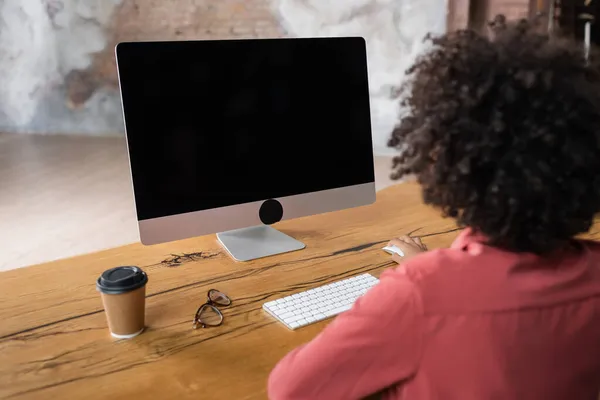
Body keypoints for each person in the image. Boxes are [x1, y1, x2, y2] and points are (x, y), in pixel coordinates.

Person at [267, 15, 600, 400]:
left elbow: (289, 389)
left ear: (444, 160)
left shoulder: (417, 297)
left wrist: (423, 281)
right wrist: (429, 270)